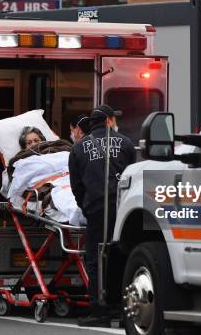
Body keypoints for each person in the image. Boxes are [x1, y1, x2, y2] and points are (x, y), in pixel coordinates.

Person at [68, 104, 136, 327]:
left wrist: (86, 207)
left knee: (96, 260)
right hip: (123, 208)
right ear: (108, 121)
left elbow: (76, 186)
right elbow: (133, 175)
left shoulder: (78, 149)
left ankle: (99, 310)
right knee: (121, 256)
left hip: (96, 208)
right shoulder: (126, 143)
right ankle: (122, 307)